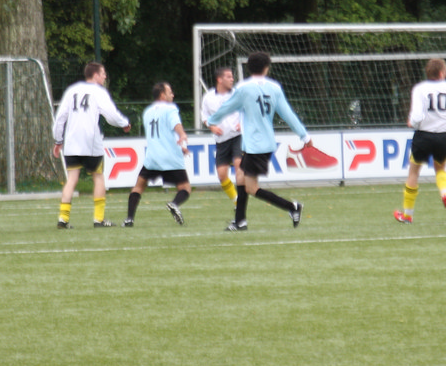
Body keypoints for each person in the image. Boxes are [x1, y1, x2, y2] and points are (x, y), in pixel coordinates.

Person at [207, 51, 311, 231]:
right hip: (263, 143)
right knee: (240, 177)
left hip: (255, 146)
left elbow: (227, 107)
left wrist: (212, 120)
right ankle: (240, 222)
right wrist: (304, 135)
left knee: (251, 188)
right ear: (266, 68)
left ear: (248, 68)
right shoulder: (274, 88)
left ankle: (292, 207)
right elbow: (288, 114)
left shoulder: (243, 88)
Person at [52, 62, 131, 228]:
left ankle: (63, 220)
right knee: (98, 176)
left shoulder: (72, 90)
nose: (105, 76)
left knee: (72, 179)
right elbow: (111, 115)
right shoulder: (98, 92)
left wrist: (58, 140)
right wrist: (124, 123)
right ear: (95, 75)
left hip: (72, 142)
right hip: (91, 142)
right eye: (103, 74)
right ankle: (98, 219)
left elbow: (60, 118)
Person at [393, 58, 446, 223]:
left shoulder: (420, 89)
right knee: (440, 169)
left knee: (414, 172)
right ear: (441, 73)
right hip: (445, 136)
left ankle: (407, 215)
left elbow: (416, 116)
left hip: (424, 136)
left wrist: (411, 123)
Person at [125, 82, 192, 227]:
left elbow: (161, 133)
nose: (172, 95)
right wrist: (182, 134)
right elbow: (176, 124)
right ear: (162, 95)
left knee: (138, 187)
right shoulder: (170, 109)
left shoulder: (147, 112)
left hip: (152, 158)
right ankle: (174, 204)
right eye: (170, 92)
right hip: (170, 158)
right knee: (185, 188)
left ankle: (129, 219)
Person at [201, 66, 242, 205]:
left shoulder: (237, 94)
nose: (232, 79)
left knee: (239, 165)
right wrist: (211, 127)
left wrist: (243, 122)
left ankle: (243, 200)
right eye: (228, 77)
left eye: (232, 76)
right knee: (222, 175)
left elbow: (248, 110)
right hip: (222, 140)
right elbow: (204, 116)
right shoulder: (208, 97)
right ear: (219, 79)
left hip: (238, 136)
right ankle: (237, 202)